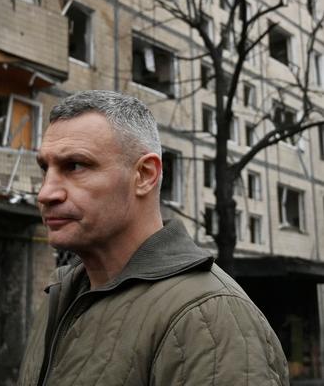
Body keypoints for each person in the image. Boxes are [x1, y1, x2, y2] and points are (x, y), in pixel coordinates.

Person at [18, 90, 288, 386]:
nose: (46, 192)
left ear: (145, 175)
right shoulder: (61, 293)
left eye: (76, 166)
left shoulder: (207, 316)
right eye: (46, 168)